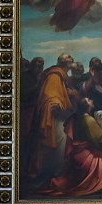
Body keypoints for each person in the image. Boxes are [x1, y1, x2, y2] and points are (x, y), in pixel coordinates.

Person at [48, 98, 102, 196]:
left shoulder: (77, 117)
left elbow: (88, 135)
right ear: (87, 106)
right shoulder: (88, 120)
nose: (91, 100)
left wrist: (97, 124)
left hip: (77, 155)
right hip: (86, 157)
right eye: (89, 100)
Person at [27, 54, 77, 183]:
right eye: (68, 57)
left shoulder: (63, 76)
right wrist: (56, 103)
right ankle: (49, 175)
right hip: (54, 117)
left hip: (63, 117)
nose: (72, 58)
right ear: (62, 62)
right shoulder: (54, 75)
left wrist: (72, 94)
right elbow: (49, 96)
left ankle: (57, 174)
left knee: (62, 146)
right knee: (56, 146)